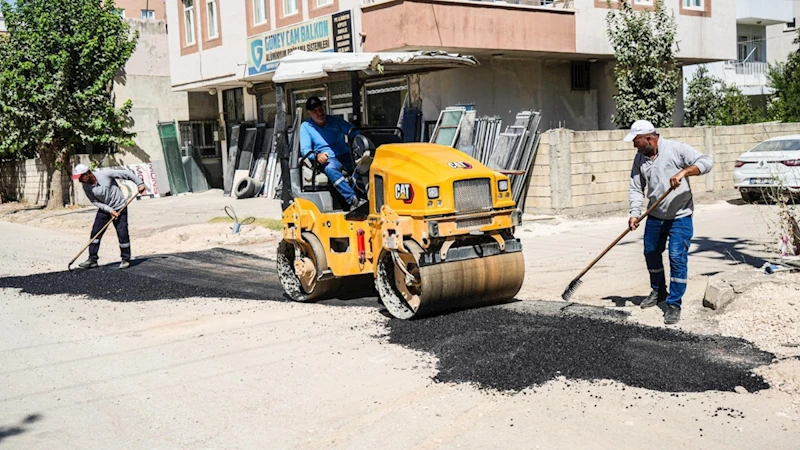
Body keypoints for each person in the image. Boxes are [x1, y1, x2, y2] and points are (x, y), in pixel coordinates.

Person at [626, 120, 713, 325]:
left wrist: (684, 172)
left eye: (636, 141)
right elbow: (636, 188)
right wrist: (634, 213)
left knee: (677, 257)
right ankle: (659, 291)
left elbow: (706, 162)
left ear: (649, 138)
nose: (633, 145)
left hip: (680, 216)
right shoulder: (640, 158)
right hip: (655, 215)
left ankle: (674, 304)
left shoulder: (676, 149)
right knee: (651, 253)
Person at [72, 164, 146, 269]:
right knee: (95, 234)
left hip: (120, 207)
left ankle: (126, 259)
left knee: (122, 233)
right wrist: (110, 210)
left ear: (87, 174)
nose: (79, 180)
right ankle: (92, 259)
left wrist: (140, 183)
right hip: (105, 209)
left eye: (80, 177)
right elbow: (95, 201)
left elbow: (126, 173)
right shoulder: (86, 186)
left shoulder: (105, 174)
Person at [299, 96, 366, 211]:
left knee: (363, 166)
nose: (319, 113)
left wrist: (362, 137)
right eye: (315, 111)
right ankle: (353, 200)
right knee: (330, 168)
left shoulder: (334, 120)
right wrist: (317, 156)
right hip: (328, 159)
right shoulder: (306, 127)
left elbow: (353, 131)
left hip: (345, 155)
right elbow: (305, 150)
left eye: (321, 109)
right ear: (309, 113)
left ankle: (365, 197)